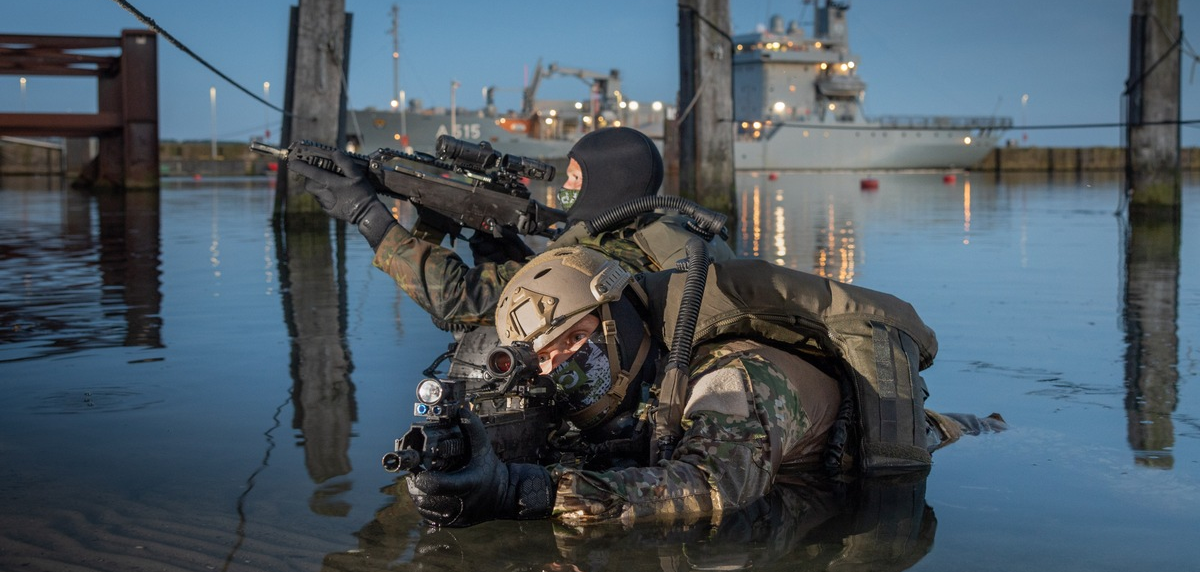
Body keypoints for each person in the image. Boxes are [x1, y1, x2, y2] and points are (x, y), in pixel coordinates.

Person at [405, 246, 1006, 527]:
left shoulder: (733, 375)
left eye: (572, 338)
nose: (559, 362)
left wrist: (525, 494)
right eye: (544, 355)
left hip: (952, 441)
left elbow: (717, 486)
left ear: (618, 319)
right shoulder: (642, 374)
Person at [288, 125, 735, 333]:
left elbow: (461, 300)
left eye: (578, 179)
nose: (566, 189)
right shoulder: (655, 230)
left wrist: (370, 218)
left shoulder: (615, 255)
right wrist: (498, 244)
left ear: (610, 184)